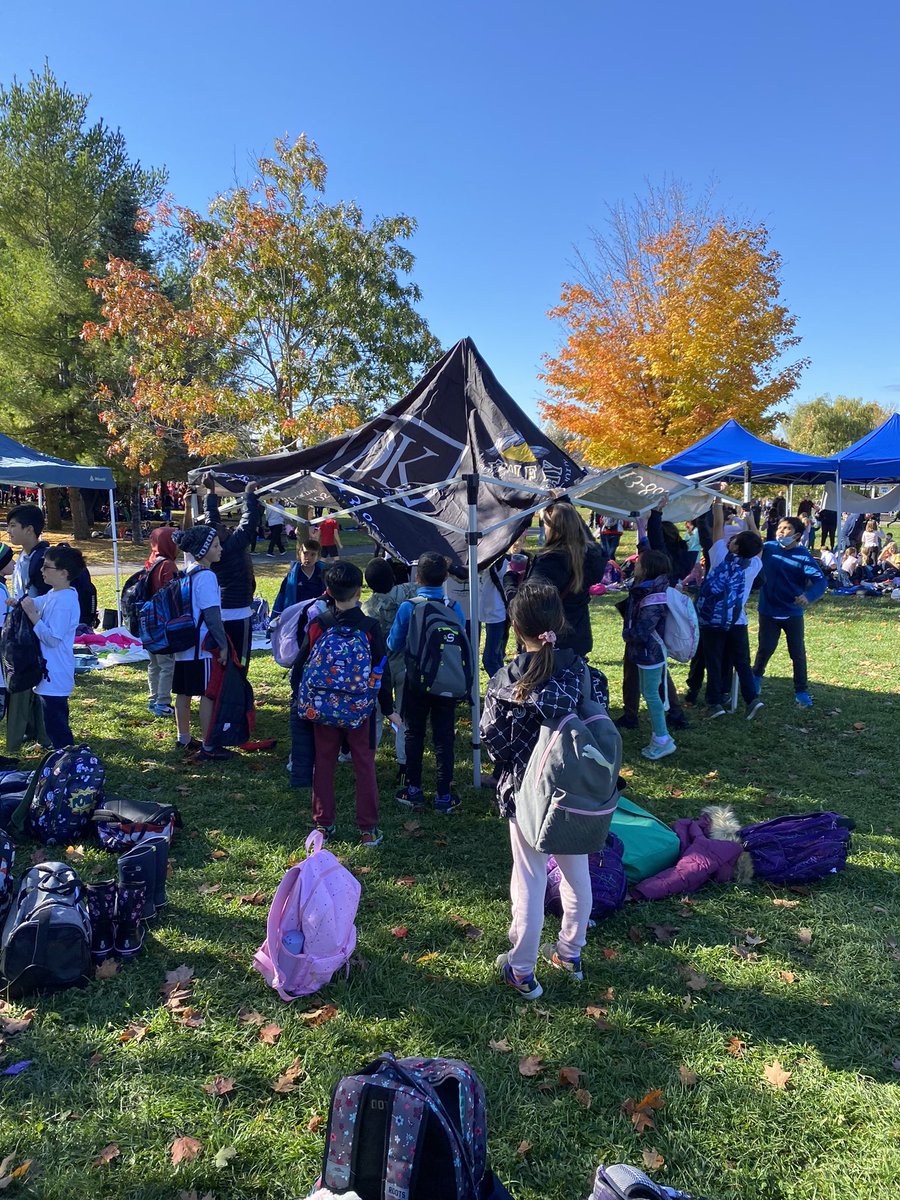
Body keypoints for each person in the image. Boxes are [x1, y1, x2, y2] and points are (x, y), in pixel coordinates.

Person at [481, 582, 609, 999]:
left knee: (530, 880)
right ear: (559, 622)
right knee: (576, 874)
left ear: (516, 627)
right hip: (576, 792)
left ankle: (521, 969)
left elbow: (493, 741)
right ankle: (570, 953)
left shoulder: (505, 682)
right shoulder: (588, 676)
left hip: (524, 792)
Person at [295, 562, 397, 848]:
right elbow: (381, 669)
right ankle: (368, 829)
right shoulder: (369, 627)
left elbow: (301, 664)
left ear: (328, 591)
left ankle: (323, 823)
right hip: (359, 709)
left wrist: (301, 698)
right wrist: (388, 708)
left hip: (322, 707)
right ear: (359, 591)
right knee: (364, 764)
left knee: (324, 762)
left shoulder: (318, 624)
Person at [388, 551, 466, 814]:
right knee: (444, 736)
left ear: (417, 577)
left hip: (416, 679)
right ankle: (444, 795)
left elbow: (393, 643)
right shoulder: (454, 607)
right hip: (447, 679)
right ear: (445, 578)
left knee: (413, 732)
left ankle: (414, 790)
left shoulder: (408, 607)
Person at [697, 500, 764, 721]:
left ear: (734, 546)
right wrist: (750, 520)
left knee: (714, 661)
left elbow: (717, 527)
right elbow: (759, 545)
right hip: (737, 620)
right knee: (742, 662)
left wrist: (716, 506)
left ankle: (714, 703)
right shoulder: (753, 566)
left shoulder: (718, 558)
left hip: (712, 620)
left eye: (733, 539)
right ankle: (751, 699)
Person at [752, 515, 827, 708]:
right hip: (768, 610)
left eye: (787, 529)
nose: (781, 532)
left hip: (792, 613)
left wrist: (808, 596)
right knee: (765, 648)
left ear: (797, 535)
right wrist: (748, 519)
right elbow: (753, 541)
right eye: (779, 528)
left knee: (797, 653)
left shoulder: (803, 555)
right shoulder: (768, 548)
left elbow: (820, 582)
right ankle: (756, 679)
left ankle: (801, 691)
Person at [517, 500, 605, 657]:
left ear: (552, 528)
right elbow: (588, 538)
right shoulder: (592, 556)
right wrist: (565, 502)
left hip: (553, 642)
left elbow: (528, 603)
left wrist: (510, 579)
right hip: (578, 639)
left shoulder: (551, 561)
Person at [171, 526, 230, 760]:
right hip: (201, 647)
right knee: (207, 694)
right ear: (203, 550)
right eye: (215, 545)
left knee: (183, 693)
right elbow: (212, 615)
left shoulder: (187, 572)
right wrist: (223, 645)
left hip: (183, 643)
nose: (220, 549)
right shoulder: (206, 576)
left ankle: (183, 737)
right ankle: (208, 745)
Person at [20, 543, 84, 750]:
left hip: (56, 670)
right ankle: (58, 751)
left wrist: (33, 617)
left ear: (64, 573)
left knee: (56, 721)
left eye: (47, 567)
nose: (42, 571)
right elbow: (38, 602)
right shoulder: (55, 593)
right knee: (50, 717)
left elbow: (53, 638)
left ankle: (67, 756)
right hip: (49, 668)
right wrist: (21, 603)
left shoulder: (65, 601)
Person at [362, 557, 417, 785]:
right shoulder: (406, 593)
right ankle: (404, 764)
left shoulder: (366, 608)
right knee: (404, 715)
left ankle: (368, 760)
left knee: (374, 714)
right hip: (404, 662)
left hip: (378, 667)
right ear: (393, 577)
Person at [621, 548, 676, 761]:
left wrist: (628, 634)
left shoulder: (653, 596)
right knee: (648, 691)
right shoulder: (646, 589)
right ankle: (659, 736)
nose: (635, 565)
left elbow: (644, 628)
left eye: (639, 563)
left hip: (650, 652)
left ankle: (663, 738)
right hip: (645, 651)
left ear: (648, 568)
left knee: (652, 694)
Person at [5, 503, 51, 752]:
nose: (8, 531)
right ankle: (32, 730)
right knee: (25, 676)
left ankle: (42, 734)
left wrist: (23, 604)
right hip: (22, 625)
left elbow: (43, 598)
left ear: (30, 529)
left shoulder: (44, 559)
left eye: (13, 526)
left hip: (37, 628)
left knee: (34, 679)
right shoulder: (23, 556)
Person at [211, 484, 261, 670]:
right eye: (222, 528)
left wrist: (211, 494)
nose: (224, 526)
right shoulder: (233, 546)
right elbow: (248, 523)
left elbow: (211, 521)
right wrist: (248, 493)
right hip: (239, 611)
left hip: (223, 609)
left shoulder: (214, 550)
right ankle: (237, 692)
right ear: (219, 539)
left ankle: (223, 690)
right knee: (240, 660)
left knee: (223, 658)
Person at [143, 527, 180, 716]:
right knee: (167, 664)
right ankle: (163, 702)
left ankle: (153, 699)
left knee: (154, 663)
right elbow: (173, 594)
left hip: (147, 621)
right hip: (162, 621)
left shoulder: (151, 560)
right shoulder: (168, 565)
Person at [272, 539, 328, 618]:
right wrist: (275, 617)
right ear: (299, 554)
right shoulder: (292, 576)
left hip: (318, 615)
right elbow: (281, 597)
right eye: (305, 553)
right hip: (297, 615)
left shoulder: (323, 574)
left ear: (318, 557)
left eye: (313, 554)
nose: (308, 558)